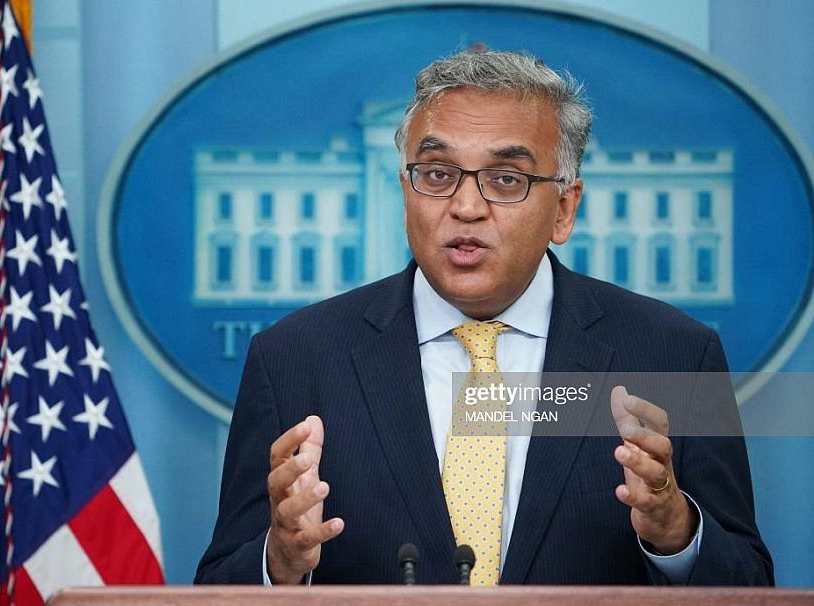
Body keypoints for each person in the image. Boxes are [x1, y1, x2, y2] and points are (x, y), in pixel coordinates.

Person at [195, 50, 772, 586]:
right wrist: (281, 562)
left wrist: (677, 535)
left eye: (506, 180)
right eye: (438, 173)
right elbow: (219, 583)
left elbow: (751, 582)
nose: (466, 207)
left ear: (564, 208)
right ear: (406, 190)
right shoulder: (294, 358)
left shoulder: (675, 355)